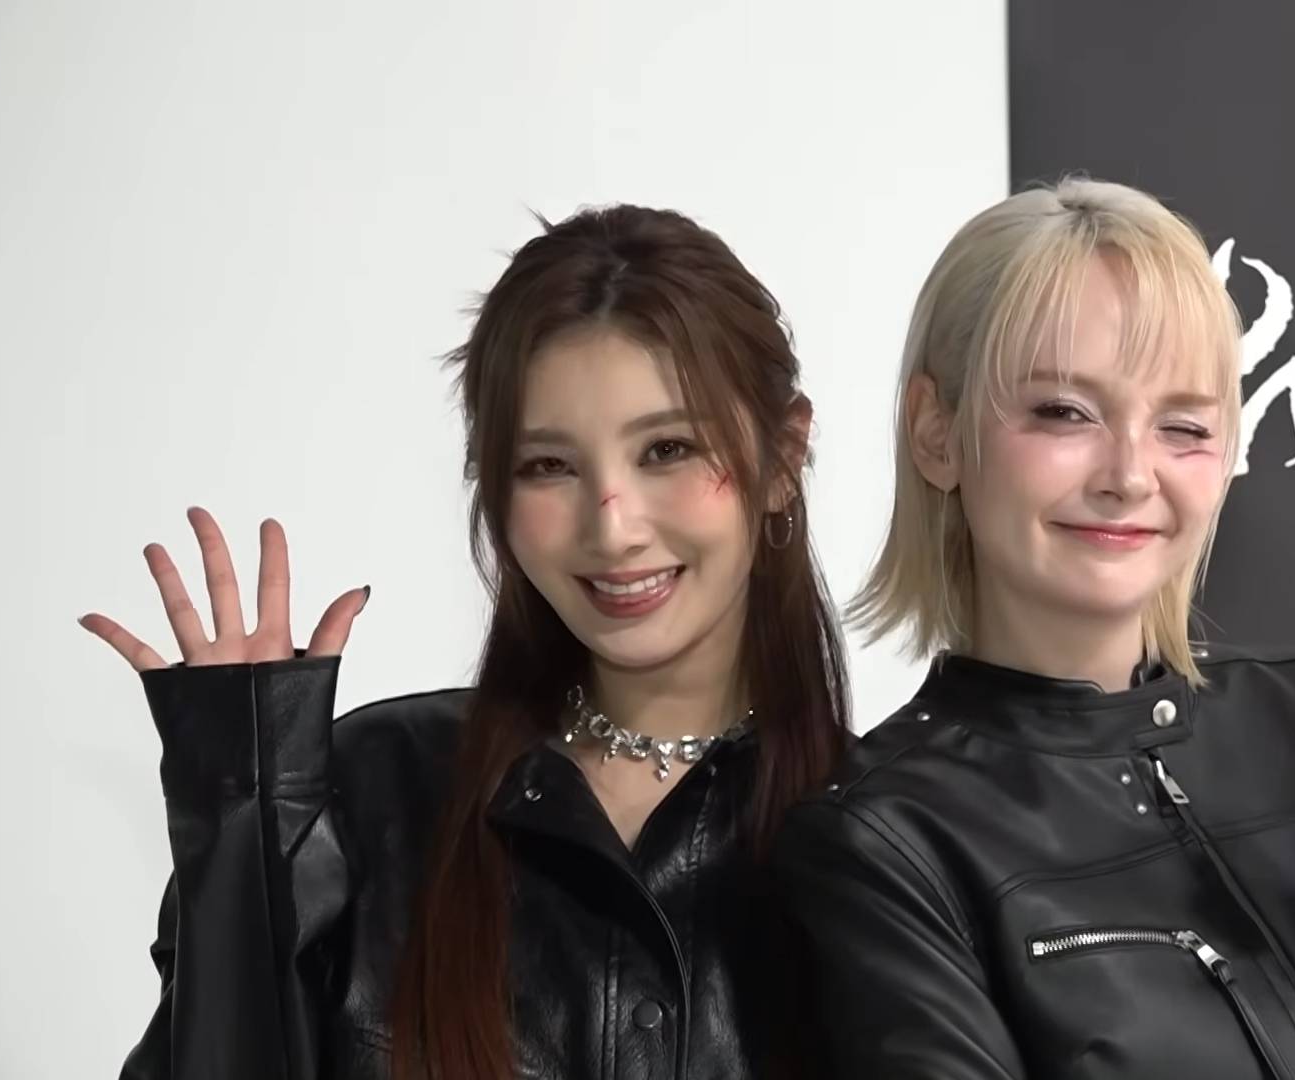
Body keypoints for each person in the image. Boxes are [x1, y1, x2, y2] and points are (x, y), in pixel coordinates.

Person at [770, 178, 1295, 1079]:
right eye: (1064, 412)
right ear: (937, 433)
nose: (1131, 475)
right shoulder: (883, 839)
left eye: (1183, 425)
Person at [83, 204, 850, 1079]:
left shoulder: (879, 840)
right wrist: (242, 813)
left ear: (784, 457)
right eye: (548, 465)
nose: (613, 527)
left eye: (667, 449)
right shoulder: (365, 795)